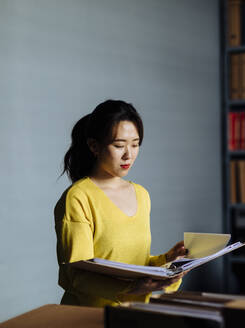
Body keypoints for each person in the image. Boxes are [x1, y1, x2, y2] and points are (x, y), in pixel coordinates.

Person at [55, 100, 187, 307]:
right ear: (94, 146)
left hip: (133, 314)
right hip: (87, 316)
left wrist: (170, 259)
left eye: (135, 144)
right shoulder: (78, 197)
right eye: (119, 145)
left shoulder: (141, 194)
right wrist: (133, 288)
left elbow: (136, 263)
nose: (129, 154)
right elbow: (76, 275)